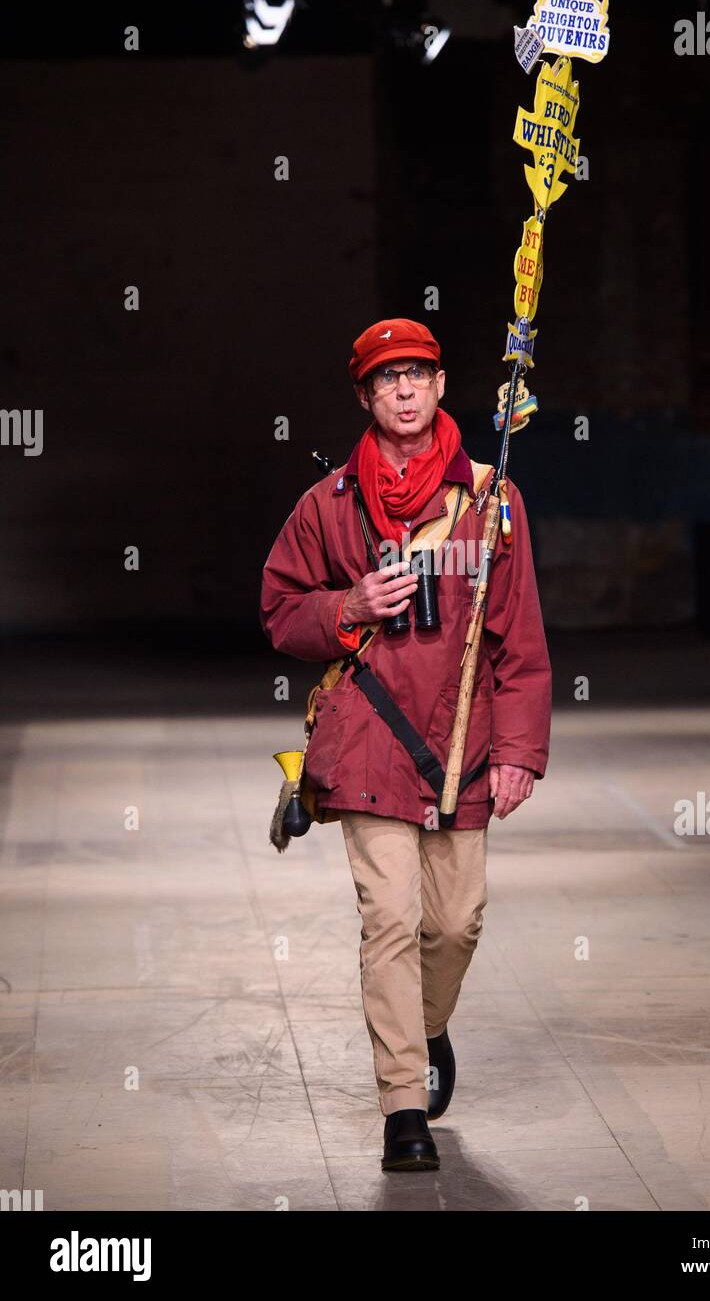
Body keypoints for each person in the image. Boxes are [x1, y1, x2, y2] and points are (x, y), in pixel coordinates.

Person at [259, 317, 551, 1171]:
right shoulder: (329, 506)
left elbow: (520, 639)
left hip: (462, 741)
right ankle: (403, 1105)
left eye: (418, 374)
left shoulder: (493, 500)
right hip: (367, 741)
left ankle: (426, 1026)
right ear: (366, 396)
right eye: (388, 379)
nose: (405, 390)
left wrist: (518, 752)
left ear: (443, 384)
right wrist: (349, 604)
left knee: (455, 923)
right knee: (387, 918)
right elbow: (280, 610)